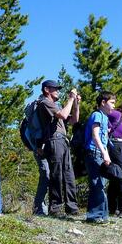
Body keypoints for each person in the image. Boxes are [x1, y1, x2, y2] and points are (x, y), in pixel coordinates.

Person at [38, 79, 81, 218]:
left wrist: (76, 104)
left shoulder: (55, 105)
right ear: (46, 90)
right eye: (55, 88)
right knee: (57, 174)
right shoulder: (45, 102)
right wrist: (70, 98)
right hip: (54, 140)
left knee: (68, 174)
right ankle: (55, 208)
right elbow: (62, 115)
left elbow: (74, 120)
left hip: (62, 140)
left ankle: (72, 207)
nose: (58, 91)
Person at [84, 91, 116, 224]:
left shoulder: (105, 117)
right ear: (103, 103)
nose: (114, 106)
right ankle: (94, 216)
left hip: (100, 153)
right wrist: (104, 152)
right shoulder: (97, 115)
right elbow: (95, 135)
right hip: (94, 152)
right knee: (97, 184)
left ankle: (103, 215)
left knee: (102, 184)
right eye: (112, 102)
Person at [31, 93, 49, 216]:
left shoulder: (36, 107)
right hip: (40, 147)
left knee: (46, 175)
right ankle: (39, 208)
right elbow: (38, 130)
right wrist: (38, 146)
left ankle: (41, 207)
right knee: (46, 175)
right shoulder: (40, 106)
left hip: (39, 146)